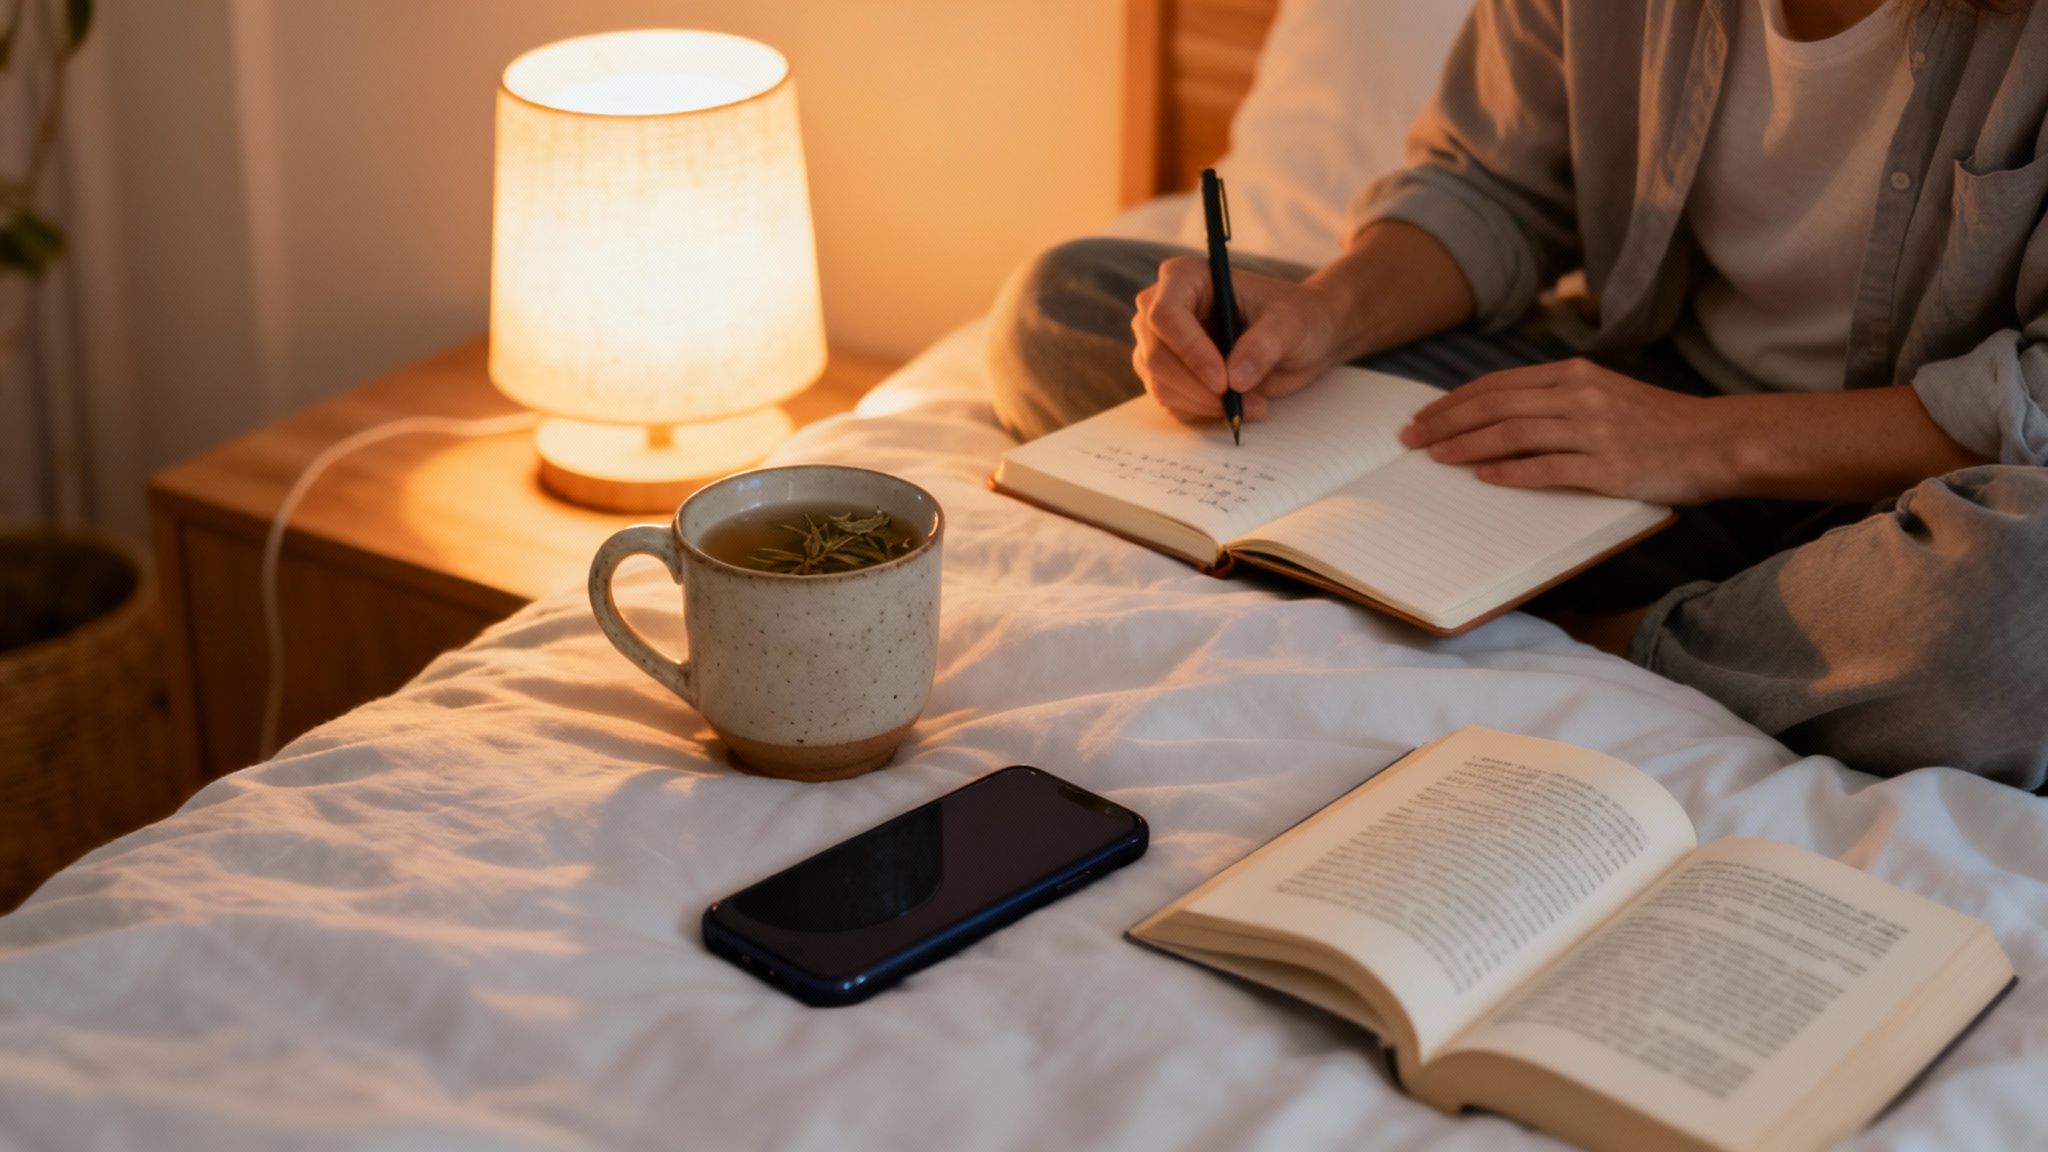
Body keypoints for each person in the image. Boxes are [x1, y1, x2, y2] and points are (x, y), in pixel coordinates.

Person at [988, 0, 2048, 789]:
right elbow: (1490, 186)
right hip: (1623, 403)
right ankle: (1636, 615)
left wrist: (1704, 443)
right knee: (1063, 305)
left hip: (1918, 491)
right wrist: (1324, 314)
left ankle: (1585, 634)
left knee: (2022, 607)